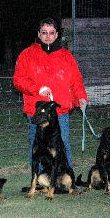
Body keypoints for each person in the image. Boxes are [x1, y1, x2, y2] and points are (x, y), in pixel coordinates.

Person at [13, 17, 88, 170]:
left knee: (63, 143)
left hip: (60, 110)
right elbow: (18, 80)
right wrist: (36, 88)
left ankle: (67, 179)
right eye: (44, 33)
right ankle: (40, 180)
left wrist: (80, 97)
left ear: (57, 34)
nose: (48, 36)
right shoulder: (27, 55)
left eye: (51, 33)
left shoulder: (66, 56)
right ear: (38, 34)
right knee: (37, 145)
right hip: (37, 110)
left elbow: (76, 80)